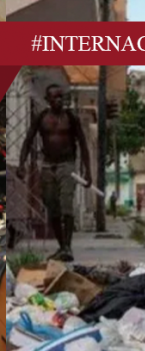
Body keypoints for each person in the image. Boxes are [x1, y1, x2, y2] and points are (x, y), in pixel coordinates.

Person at [17, 84, 92, 262]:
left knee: (66, 204)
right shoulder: (41, 117)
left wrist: (87, 171)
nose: (59, 100)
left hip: (67, 165)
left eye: (61, 97)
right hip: (48, 166)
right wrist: (21, 164)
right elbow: (28, 140)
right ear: (47, 100)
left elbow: (83, 144)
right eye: (55, 97)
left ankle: (68, 247)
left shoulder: (71, 118)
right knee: (52, 207)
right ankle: (62, 246)